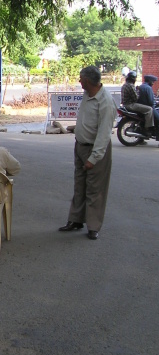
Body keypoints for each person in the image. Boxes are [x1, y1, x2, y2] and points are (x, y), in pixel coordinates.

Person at [58, 65, 116, 240]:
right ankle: (76, 220)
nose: (79, 81)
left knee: (95, 189)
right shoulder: (87, 94)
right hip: (81, 145)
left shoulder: (105, 101)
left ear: (89, 81)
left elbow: (104, 133)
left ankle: (93, 226)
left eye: (81, 79)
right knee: (80, 185)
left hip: (95, 149)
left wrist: (94, 157)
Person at [137, 74, 159, 139]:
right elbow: (151, 101)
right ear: (149, 81)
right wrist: (156, 103)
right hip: (149, 107)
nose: (153, 83)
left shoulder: (142, 86)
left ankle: (141, 139)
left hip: (142, 106)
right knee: (158, 119)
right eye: (152, 82)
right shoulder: (148, 88)